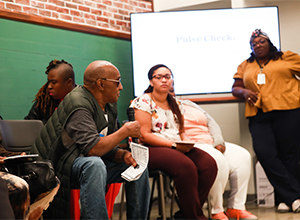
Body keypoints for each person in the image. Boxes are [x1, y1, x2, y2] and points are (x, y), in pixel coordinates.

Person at [30, 60, 150, 219]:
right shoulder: (78, 104)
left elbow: (107, 142)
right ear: (101, 84)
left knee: (137, 166)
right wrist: (125, 131)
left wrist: (122, 155)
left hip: (85, 160)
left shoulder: (109, 104)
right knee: (94, 164)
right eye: (118, 81)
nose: (121, 87)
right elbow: (93, 148)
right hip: (59, 164)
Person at [130, 64, 218, 220]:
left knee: (209, 165)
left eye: (168, 76)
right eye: (159, 77)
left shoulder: (176, 103)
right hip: (150, 148)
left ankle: (184, 215)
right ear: (151, 82)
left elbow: (181, 131)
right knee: (186, 166)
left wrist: (186, 143)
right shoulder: (143, 101)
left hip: (176, 147)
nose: (164, 80)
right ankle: (195, 217)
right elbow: (144, 135)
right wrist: (173, 145)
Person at [232, 28, 300, 213]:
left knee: (290, 156)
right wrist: (244, 91)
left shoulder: (287, 57)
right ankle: (294, 196)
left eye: (261, 42)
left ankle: (285, 200)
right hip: (258, 114)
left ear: (270, 43)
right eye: (254, 44)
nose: (258, 45)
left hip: (289, 110)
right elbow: (235, 87)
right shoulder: (246, 64)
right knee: (265, 154)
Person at [169, 86, 257, 220]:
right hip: (191, 145)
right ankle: (217, 210)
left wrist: (219, 142)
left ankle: (236, 207)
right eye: (167, 90)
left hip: (210, 142)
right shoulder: (160, 109)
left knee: (242, 155)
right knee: (216, 159)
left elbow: (211, 123)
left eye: (172, 89)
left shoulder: (188, 104)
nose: (171, 92)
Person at [24, 59, 76, 124]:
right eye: (49, 82)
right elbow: (27, 124)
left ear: (69, 82)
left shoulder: (81, 102)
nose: (49, 86)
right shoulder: (45, 100)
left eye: (53, 82)